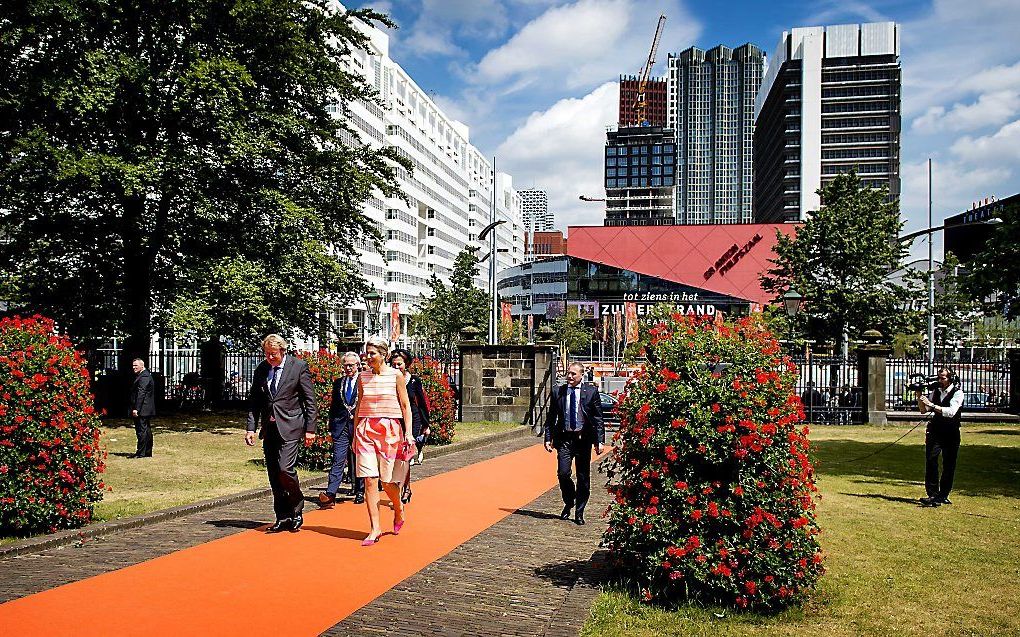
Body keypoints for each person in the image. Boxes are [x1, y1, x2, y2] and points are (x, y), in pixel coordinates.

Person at [245, 334, 318, 533]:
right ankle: (282, 516)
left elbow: (309, 400)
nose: (270, 358)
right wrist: (251, 428)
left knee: (286, 469)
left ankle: (296, 508)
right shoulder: (262, 368)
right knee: (274, 474)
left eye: (273, 354)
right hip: (270, 429)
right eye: (267, 354)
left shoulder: (298, 367)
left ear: (283, 351)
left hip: (292, 425)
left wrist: (310, 429)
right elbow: (255, 401)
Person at [353, 336, 415, 545]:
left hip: (389, 431)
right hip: (365, 430)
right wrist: (354, 435)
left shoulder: (396, 375)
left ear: (384, 355)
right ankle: (375, 529)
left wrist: (408, 433)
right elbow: (359, 407)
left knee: (387, 481)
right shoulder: (362, 377)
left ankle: (398, 508)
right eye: (367, 353)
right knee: (369, 480)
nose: (368, 357)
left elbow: (405, 406)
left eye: (373, 353)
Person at [544, 361, 604, 526]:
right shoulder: (559, 392)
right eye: (568, 373)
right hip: (564, 439)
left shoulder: (591, 392)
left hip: (583, 440)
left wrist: (599, 441)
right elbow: (551, 418)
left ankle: (579, 511)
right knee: (563, 474)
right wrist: (548, 438)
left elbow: (598, 418)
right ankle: (569, 501)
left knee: (583, 477)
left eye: (573, 374)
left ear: (581, 375)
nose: (569, 376)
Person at [318, 352, 363, 508]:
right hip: (341, 426)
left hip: (359, 426)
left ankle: (360, 490)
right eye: (346, 365)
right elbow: (334, 407)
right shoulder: (338, 383)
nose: (348, 368)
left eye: (351, 365)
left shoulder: (364, 381)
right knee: (338, 459)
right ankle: (330, 493)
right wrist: (331, 428)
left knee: (359, 459)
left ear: (358, 365)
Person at [917, 367, 964, 507]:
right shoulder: (936, 392)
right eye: (939, 378)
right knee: (931, 460)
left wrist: (931, 404)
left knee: (949, 464)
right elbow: (923, 410)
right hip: (935, 431)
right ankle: (932, 494)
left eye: (943, 378)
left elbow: (951, 412)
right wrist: (919, 395)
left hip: (951, 432)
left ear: (950, 379)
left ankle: (943, 494)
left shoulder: (958, 393)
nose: (940, 381)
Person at [388, 349, 430, 504]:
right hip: (395, 419)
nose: (397, 367)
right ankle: (407, 487)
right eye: (394, 364)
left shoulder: (414, 381)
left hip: (412, 420)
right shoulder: (388, 379)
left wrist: (426, 425)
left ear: (406, 364)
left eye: (399, 364)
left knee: (405, 457)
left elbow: (422, 403)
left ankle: (401, 490)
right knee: (397, 458)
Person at [128, 358, 155, 458]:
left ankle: (141, 453)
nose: (134, 367)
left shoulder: (144, 377)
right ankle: (147, 452)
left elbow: (141, 393)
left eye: (136, 365)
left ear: (142, 366)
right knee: (146, 429)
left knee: (141, 430)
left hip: (143, 408)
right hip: (146, 408)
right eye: (133, 365)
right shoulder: (145, 375)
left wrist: (136, 409)